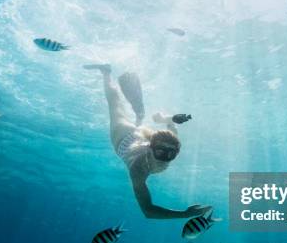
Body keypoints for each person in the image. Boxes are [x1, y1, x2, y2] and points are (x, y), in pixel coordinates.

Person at [84, 64, 211, 219]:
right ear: (150, 148)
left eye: (171, 154)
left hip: (145, 138)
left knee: (169, 134)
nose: (165, 156)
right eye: (161, 151)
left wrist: (170, 121)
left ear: (176, 152)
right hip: (123, 136)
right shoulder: (138, 169)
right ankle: (106, 72)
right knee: (115, 103)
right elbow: (148, 211)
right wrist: (184, 214)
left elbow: (169, 140)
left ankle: (150, 116)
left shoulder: (171, 143)